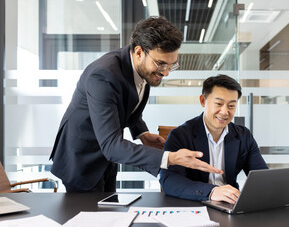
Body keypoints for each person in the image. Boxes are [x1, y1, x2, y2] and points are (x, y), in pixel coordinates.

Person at [49, 16, 222, 193]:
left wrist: (142, 133)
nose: (166, 73)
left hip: (106, 159)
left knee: (110, 211)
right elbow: (111, 145)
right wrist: (169, 158)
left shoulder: (142, 69)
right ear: (139, 52)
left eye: (172, 65)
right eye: (161, 64)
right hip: (81, 159)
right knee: (94, 219)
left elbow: (127, 104)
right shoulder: (103, 75)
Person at [159, 75, 268, 204]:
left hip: (229, 204)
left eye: (231, 106)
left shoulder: (243, 136)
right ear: (203, 101)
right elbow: (169, 181)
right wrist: (211, 191)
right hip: (193, 202)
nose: (224, 112)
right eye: (219, 104)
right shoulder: (180, 135)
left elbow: (262, 177)